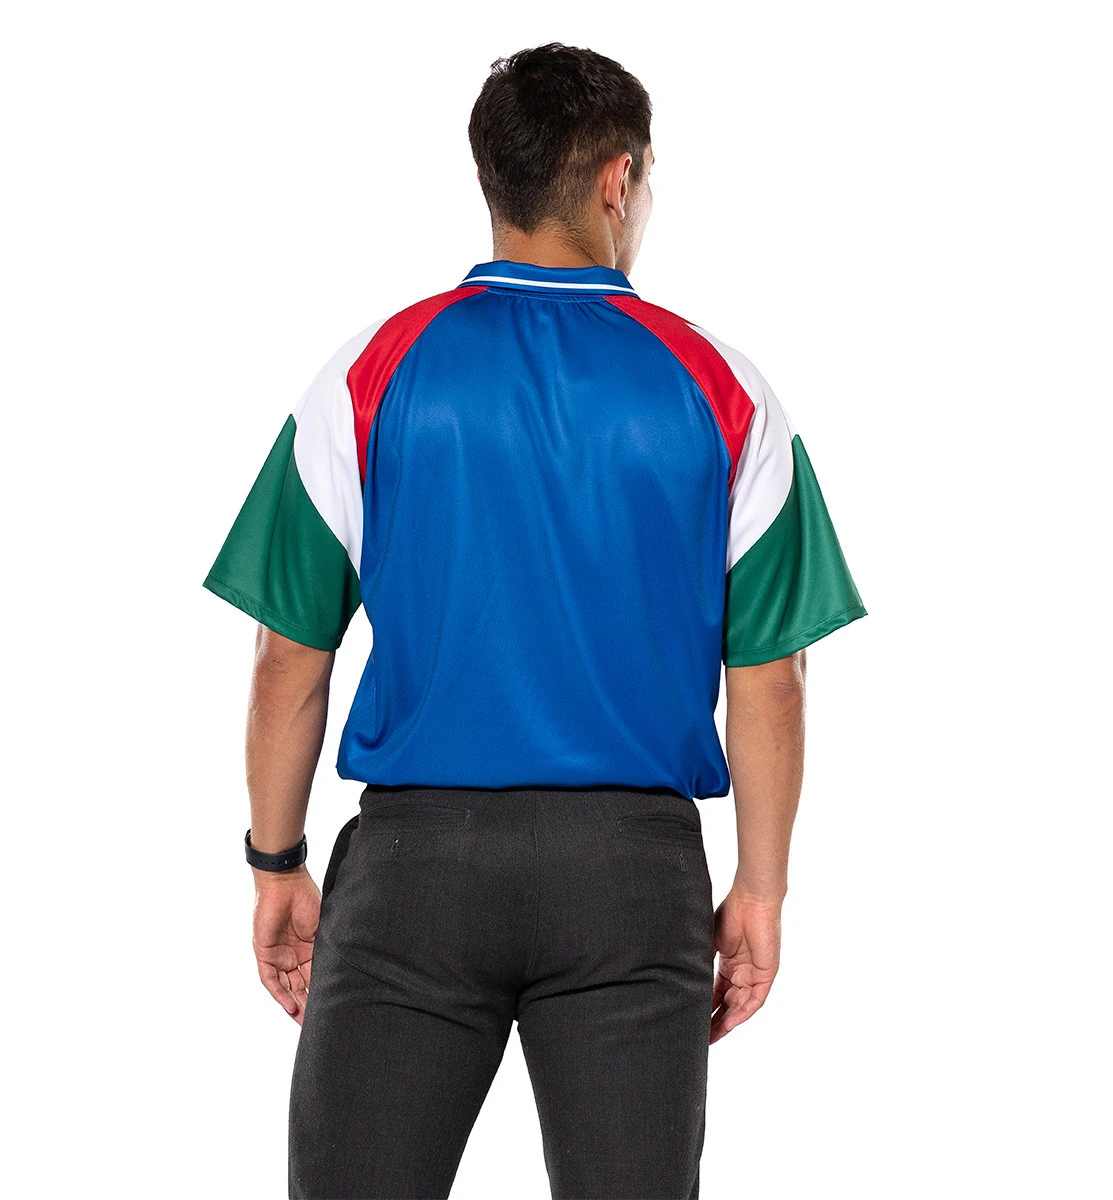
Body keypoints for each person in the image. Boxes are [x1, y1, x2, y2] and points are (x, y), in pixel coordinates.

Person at [202, 40, 867, 1200]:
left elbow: (286, 659)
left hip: (414, 873)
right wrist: (759, 889)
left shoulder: (370, 374)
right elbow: (772, 676)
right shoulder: (725, 390)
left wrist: (277, 862)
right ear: (618, 179)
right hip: (630, 880)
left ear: (490, 179)